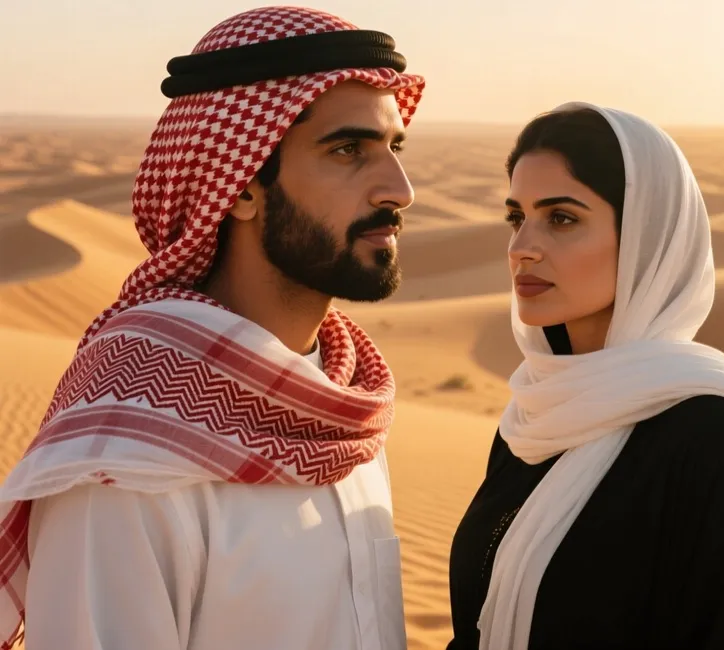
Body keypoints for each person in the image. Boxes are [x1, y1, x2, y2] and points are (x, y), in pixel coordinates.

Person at [0, 6, 425, 650]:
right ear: (242, 187)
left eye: (395, 148)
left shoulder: (342, 406)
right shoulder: (129, 457)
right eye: (347, 151)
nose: (399, 189)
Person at [446, 104, 724, 650]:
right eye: (517, 218)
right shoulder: (536, 417)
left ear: (645, 238)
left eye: (561, 219)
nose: (521, 248)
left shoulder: (711, 437)